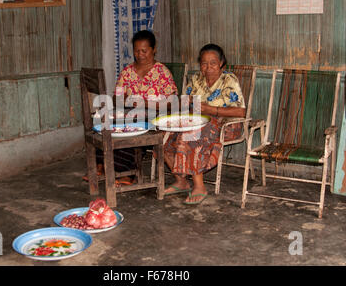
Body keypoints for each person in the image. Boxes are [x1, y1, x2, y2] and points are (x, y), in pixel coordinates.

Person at [83, 30, 178, 186]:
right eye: (136, 50)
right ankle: (100, 166)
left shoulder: (162, 72)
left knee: (130, 126)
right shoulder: (127, 72)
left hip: (154, 116)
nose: (140, 54)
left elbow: (172, 102)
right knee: (107, 122)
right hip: (130, 113)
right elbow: (116, 97)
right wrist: (124, 99)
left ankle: (125, 173)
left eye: (144, 51)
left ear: (154, 50)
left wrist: (144, 103)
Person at [163, 43, 246, 205]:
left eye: (213, 63)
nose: (208, 67)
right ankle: (181, 181)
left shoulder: (229, 80)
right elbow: (184, 104)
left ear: (222, 63)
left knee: (191, 135)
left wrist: (211, 110)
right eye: (204, 63)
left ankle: (199, 186)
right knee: (164, 136)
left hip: (226, 124)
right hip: (196, 121)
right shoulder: (195, 80)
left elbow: (241, 112)